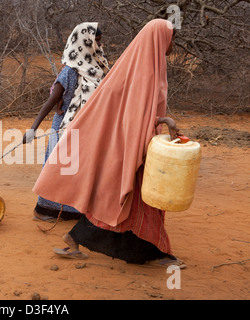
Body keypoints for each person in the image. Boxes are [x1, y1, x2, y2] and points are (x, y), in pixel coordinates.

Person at [32, 19, 186, 268]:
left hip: (136, 142)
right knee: (122, 201)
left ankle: (79, 240)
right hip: (123, 143)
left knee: (123, 202)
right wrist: (165, 120)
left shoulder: (145, 65)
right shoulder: (142, 69)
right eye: (172, 39)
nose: (173, 45)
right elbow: (133, 113)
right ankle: (156, 253)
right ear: (160, 39)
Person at [23, 22, 109, 223]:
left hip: (86, 129)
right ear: (83, 44)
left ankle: (72, 212)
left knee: (78, 172)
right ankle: (44, 210)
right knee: (57, 171)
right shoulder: (70, 71)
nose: (98, 47)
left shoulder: (98, 68)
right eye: (94, 43)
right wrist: (32, 129)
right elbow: (51, 102)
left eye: (99, 42)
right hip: (63, 128)